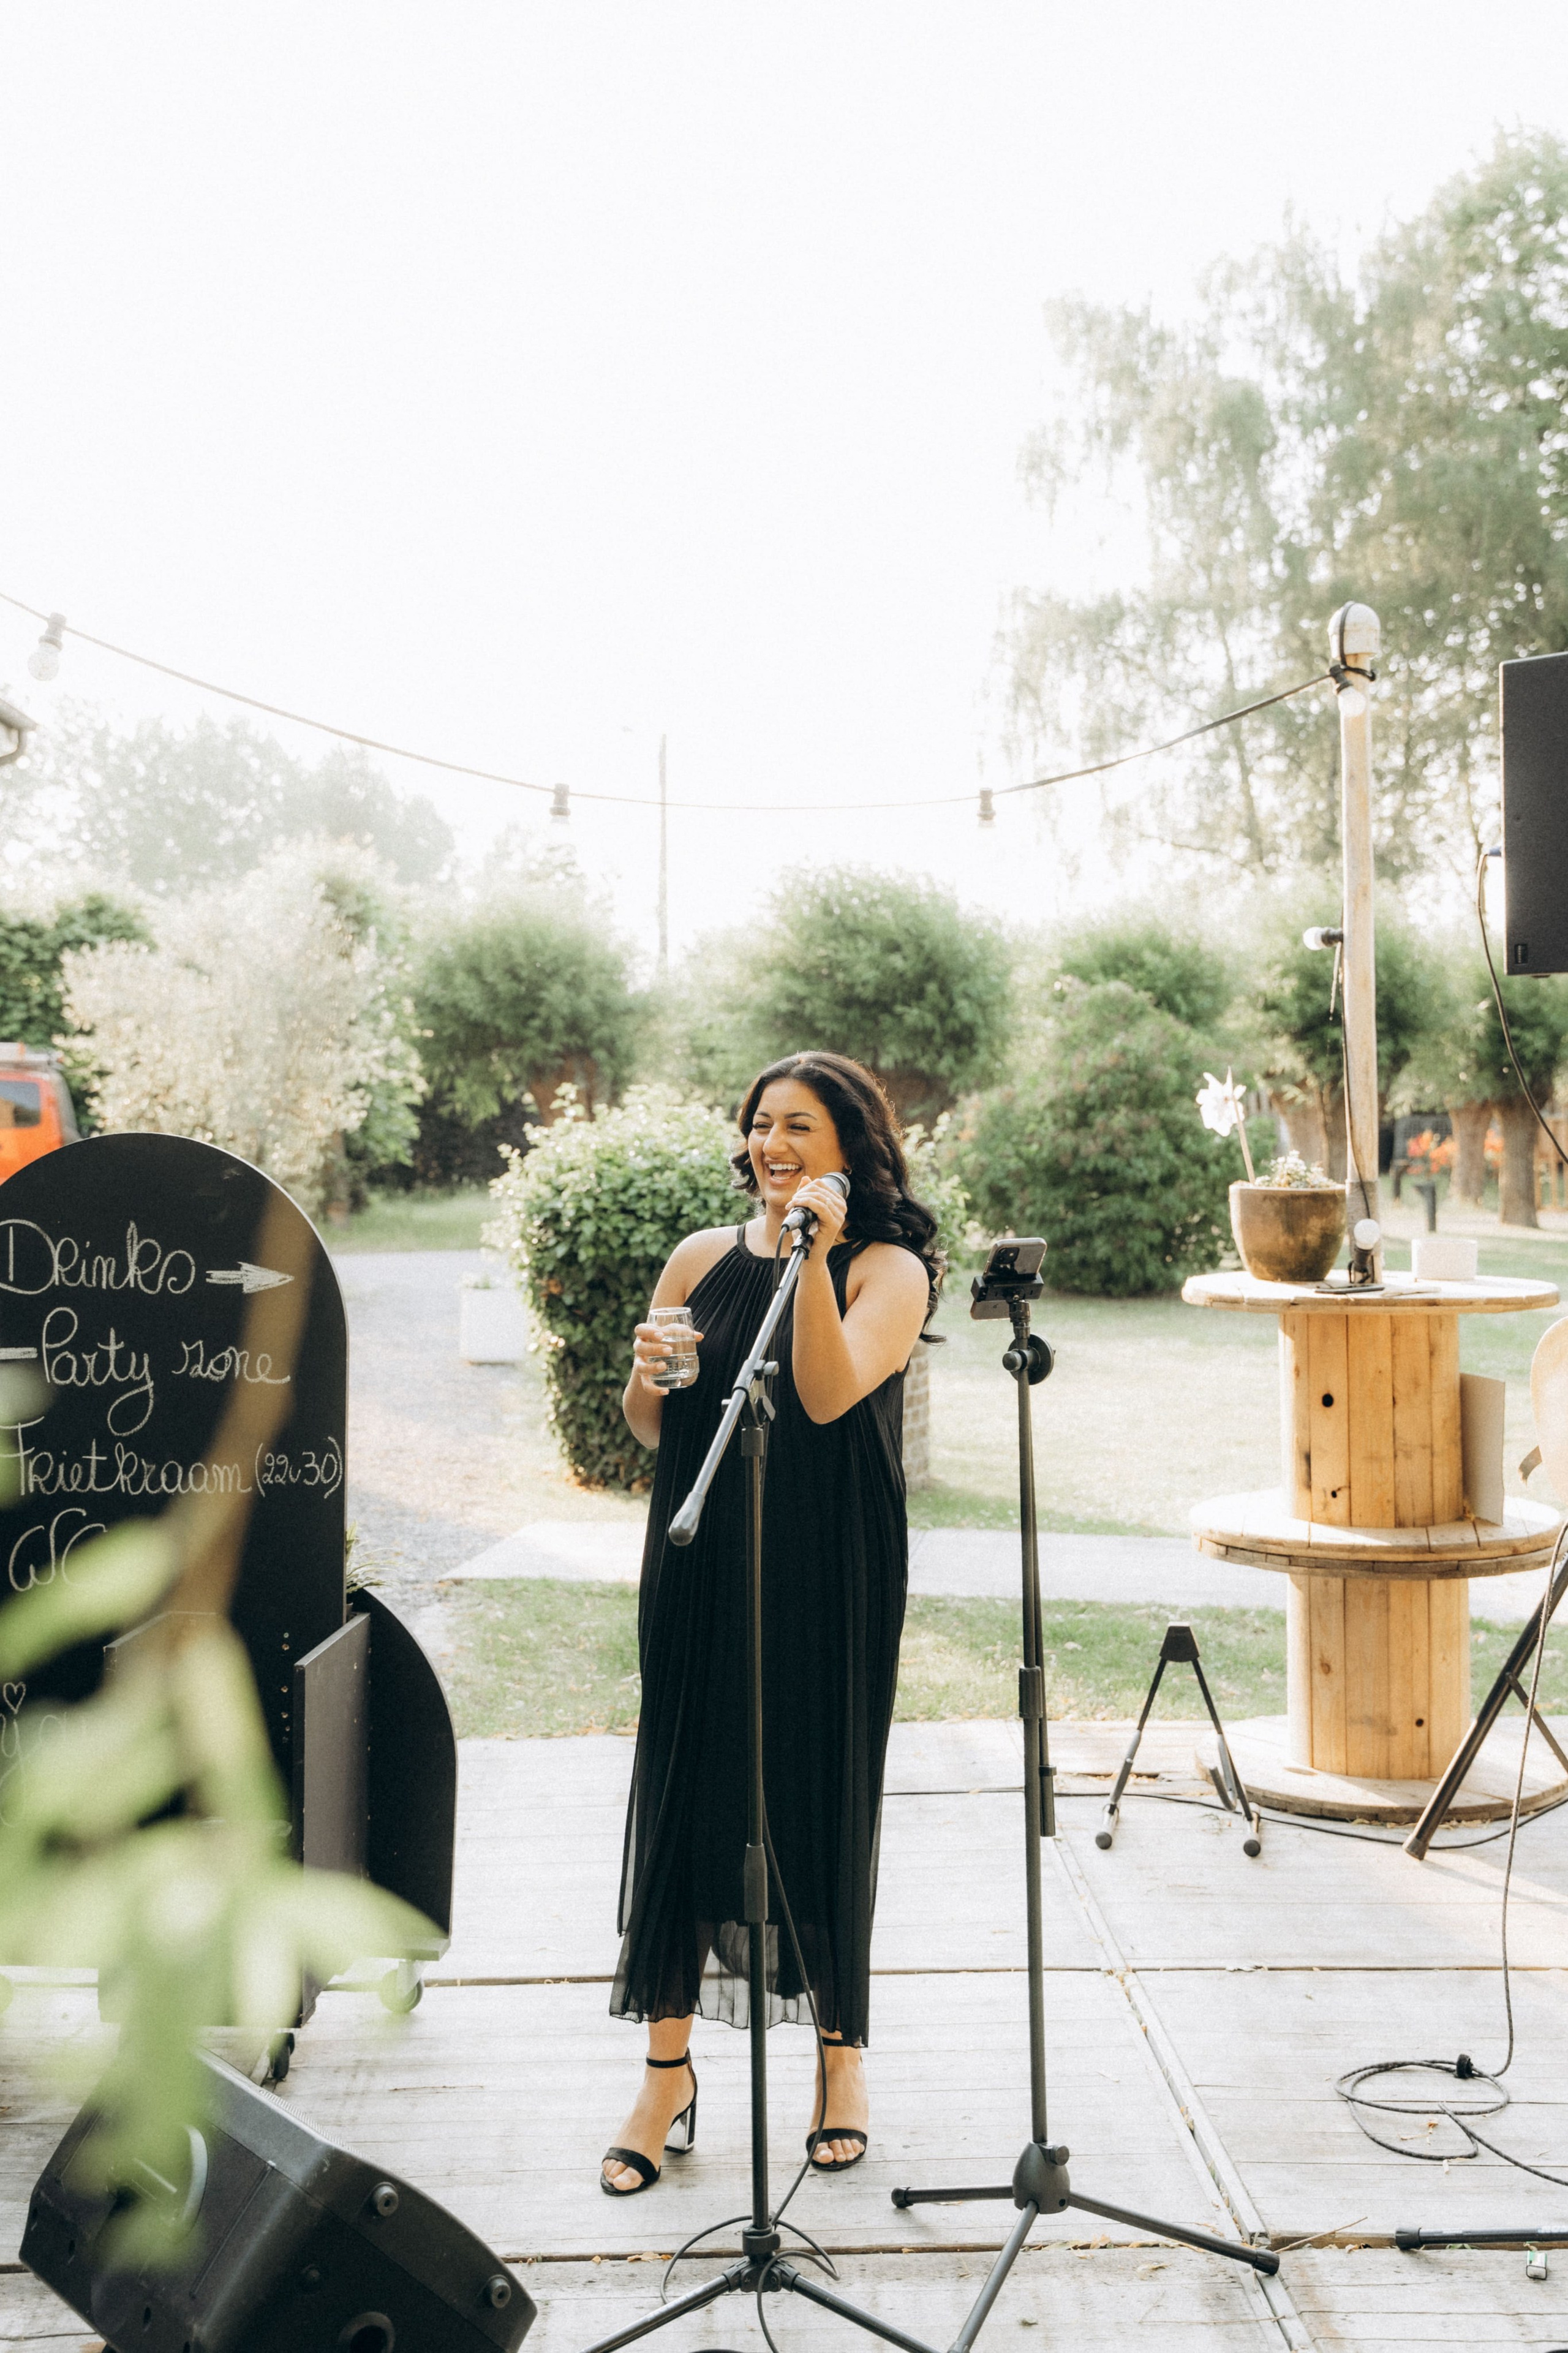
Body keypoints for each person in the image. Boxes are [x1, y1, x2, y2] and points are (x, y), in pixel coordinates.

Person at [600, 1051, 940, 2196]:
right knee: (690, 1791)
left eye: (799, 1124)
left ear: (849, 1145)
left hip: (826, 1568)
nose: (771, 1142)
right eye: (759, 1124)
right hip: (699, 1565)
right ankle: (665, 2073)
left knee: (813, 1791)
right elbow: (654, 1431)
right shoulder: (698, 1258)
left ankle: (841, 2064)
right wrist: (647, 1376)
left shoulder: (887, 1267)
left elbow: (833, 1392)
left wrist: (816, 1256)